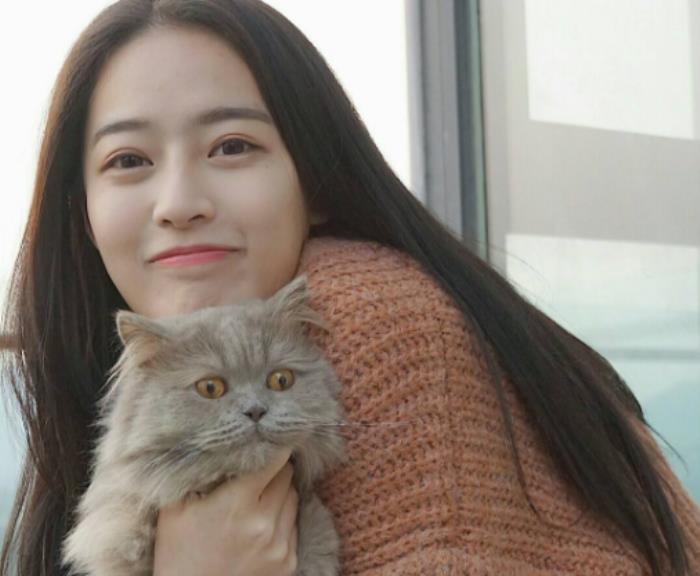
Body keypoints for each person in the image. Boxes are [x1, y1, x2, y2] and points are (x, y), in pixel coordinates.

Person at [0, 1, 698, 575]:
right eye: (128, 159)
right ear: (81, 212)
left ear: (317, 181)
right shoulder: (126, 367)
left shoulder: (374, 324)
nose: (178, 203)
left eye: (232, 146)